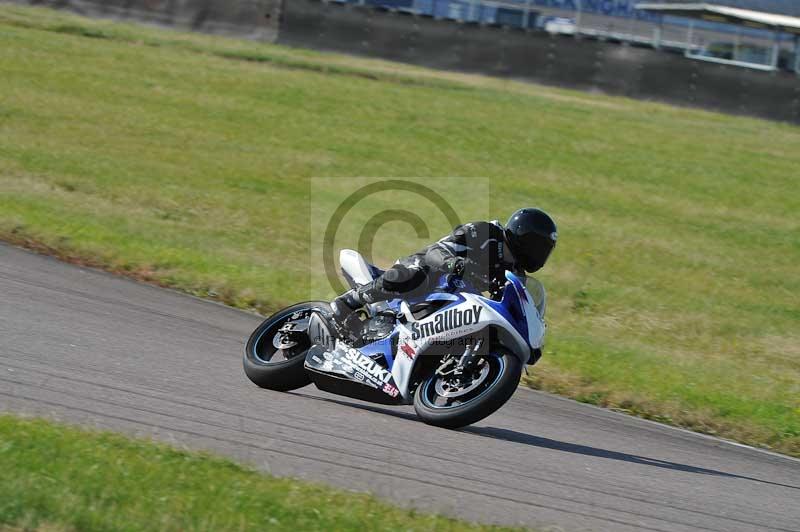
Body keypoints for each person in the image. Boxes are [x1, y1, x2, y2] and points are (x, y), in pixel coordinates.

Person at [330, 207, 558, 329]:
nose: (541, 254)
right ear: (524, 237)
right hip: (430, 273)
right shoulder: (485, 232)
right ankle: (353, 300)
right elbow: (435, 252)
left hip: (455, 296)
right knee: (419, 271)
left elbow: (509, 303)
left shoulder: (515, 274)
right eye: (540, 247)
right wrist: (456, 264)